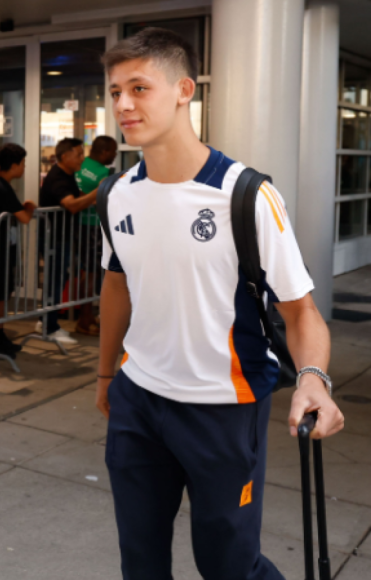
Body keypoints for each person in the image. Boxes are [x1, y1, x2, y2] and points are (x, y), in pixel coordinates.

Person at [96, 28, 345, 580]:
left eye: (139, 87)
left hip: (224, 407)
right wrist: (104, 375)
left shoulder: (246, 195)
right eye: (115, 91)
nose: (123, 105)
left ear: (184, 89)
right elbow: (117, 285)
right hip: (138, 401)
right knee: (139, 560)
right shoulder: (116, 195)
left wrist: (311, 378)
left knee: (229, 565)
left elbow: (301, 310)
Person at [0, 144, 36, 357]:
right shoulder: (1, 187)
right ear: (15, 165)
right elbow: (24, 218)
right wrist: (29, 207)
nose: (25, 168)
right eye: (23, 164)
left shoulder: (2, 185)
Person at [39, 137, 99, 344]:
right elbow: (71, 205)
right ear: (65, 156)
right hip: (54, 238)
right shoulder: (58, 178)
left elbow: (77, 196)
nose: (83, 159)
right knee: (55, 281)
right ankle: (50, 326)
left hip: (62, 237)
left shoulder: (68, 175)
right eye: (79, 154)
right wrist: (96, 193)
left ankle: (46, 320)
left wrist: (93, 197)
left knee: (58, 279)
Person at [75, 135, 118, 336]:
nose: (115, 155)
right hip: (93, 227)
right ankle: (84, 318)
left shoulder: (81, 165)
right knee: (91, 272)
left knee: (87, 271)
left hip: (79, 226)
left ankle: (86, 315)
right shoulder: (103, 172)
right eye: (113, 152)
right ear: (104, 152)